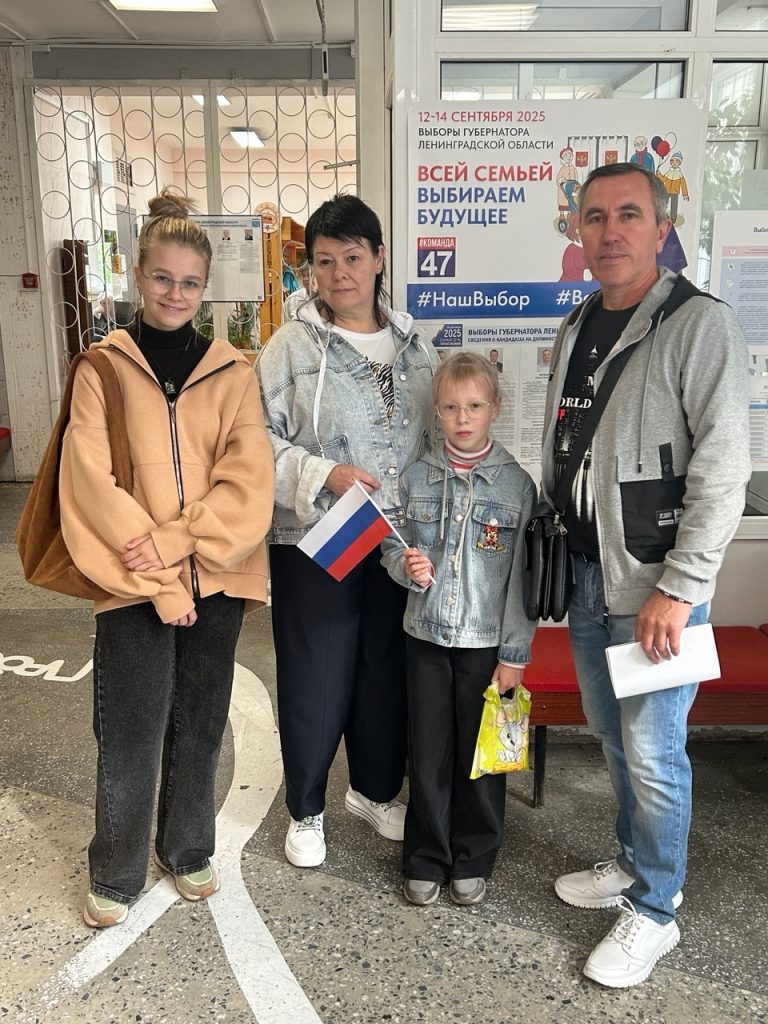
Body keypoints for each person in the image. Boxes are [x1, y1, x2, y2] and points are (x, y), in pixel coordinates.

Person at [540, 162, 750, 987]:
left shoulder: (700, 324)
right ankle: (633, 861)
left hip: (658, 591)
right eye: (594, 217)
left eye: (629, 214)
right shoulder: (578, 322)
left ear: (662, 229)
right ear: (578, 232)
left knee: (656, 752)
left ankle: (657, 909)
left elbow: (723, 470)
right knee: (612, 735)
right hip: (590, 578)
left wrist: (681, 588)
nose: (610, 231)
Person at [59, 188, 275, 928]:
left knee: (201, 722)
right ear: (137, 275)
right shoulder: (102, 370)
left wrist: (180, 544)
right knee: (130, 728)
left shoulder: (233, 373)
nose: (175, 294)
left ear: (205, 286)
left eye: (189, 282)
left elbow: (248, 483)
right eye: (162, 278)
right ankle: (116, 868)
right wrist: (159, 582)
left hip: (218, 573)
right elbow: (92, 484)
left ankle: (186, 848)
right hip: (130, 578)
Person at [257, 193, 438, 868]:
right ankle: (305, 809)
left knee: (384, 667)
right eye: (325, 261)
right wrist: (323, 473)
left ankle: (374, 790)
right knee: (316, 671)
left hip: (394, 538)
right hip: (319, 535)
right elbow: (252, 442)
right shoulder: (290, 347)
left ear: (379, 258)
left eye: (353, 258)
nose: (339, 274)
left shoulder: (416, 348)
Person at [381, 351, 536, 907]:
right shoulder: (416, 477)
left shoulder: (516, 486)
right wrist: (405, 566)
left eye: (474, 406)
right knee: (427, 753)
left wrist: (514, 654)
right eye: (450, 407)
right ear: (437, 412)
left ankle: (474, 856)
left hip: (486, 646)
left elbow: (522, 582)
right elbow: (391, 544)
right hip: (424, 637)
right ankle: (426, 855)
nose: (462, 418)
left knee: (481, 754)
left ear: (495, 408)